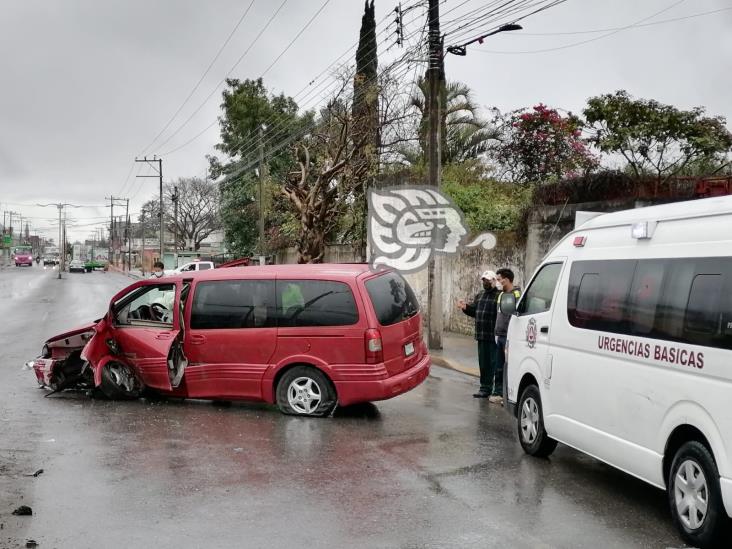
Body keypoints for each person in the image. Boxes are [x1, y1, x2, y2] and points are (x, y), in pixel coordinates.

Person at [457, 270, 501, 399]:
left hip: (494, 336)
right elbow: (475, 311)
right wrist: (465, 307)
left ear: (494, 281)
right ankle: (484, 388)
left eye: (487, 280)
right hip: (481, 335)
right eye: (483, 280)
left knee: (494, 364)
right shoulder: (480, 295)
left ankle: (495, 390)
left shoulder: (499, 295)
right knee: (483, 363)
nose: (485, 282)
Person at [494, 268, 521, 405]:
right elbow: (499, 315)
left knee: (508, 366)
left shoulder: (516, 294)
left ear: (507, 279)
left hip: (508, 335)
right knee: (498, 366)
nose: (498, 282)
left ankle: (507, 396)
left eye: (499, 279)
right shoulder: (501, 295)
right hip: (499, 334)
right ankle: (498, 393)